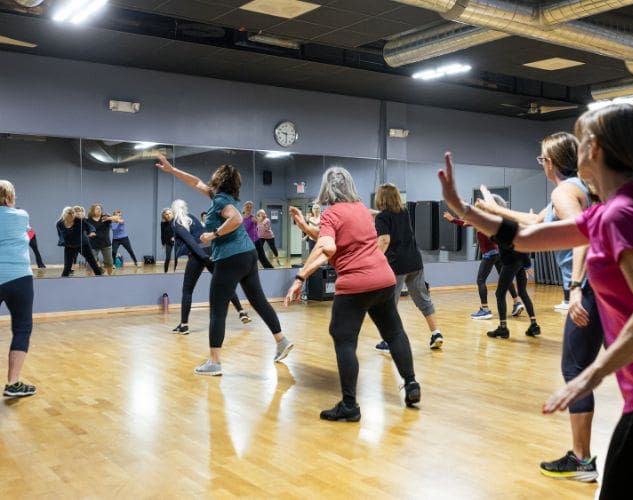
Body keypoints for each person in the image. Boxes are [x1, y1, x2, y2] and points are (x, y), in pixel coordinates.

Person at [439, 103, 633, 499]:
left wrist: (593, 372)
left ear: (595, 149)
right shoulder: (613, 208)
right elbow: (527, 238)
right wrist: (464, 209)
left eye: (580, 139)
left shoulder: (624, 214)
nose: (575, 148)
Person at [480, 132, 603, 481]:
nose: (542, 165)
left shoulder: (564, 191)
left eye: (541, 159)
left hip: (593, 289)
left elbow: (582, 237)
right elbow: (535, 222)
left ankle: (582, 460)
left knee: (576, 369)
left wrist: (576, 289)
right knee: (626, 368)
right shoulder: (581, 187)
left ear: (550, 163)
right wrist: (494, 209)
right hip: (606, 286)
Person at [285, 166, 418, 422]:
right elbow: (332, 241)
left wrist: (301, 277)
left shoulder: (331, 214)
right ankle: (411, 384)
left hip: (355, 285)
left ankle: (349, 405)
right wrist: (303, 224)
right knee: (394, 332)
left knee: (344, 339)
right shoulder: (360, 209)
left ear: (326, 188)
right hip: (383, 280)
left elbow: (327, 247)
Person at [155, 154, 293, 375]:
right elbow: (195, 181)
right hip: (247, 254)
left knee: (218, 310)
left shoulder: (221, 201)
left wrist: (213, 235)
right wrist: (173, 171)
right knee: (258, 301)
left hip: (231, 257)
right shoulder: (224, 197)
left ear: (220, 178)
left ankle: (214, 362)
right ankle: (281, 341)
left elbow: (236, 219)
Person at [374, 183, 444, 350]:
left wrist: (374, 259)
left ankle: (390, 340)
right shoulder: (404, 212)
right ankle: (436, 333)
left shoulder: (382, 218)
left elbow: (384, 240)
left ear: (381, 198)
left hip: (396, 266)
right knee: (423, 299)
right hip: (414, 262)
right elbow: (391, 217)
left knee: (389, 304)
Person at [168, 199, 251, 335]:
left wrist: (204, 257)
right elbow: (204, 234)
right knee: (224, 284)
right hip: (209, 250)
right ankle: (241, 312)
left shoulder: (176, 222)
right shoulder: (192, 218)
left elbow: (190, 241)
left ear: (173, 209)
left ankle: (184, 325)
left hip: (198, 254)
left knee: (187, 290)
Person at [474, 193, 539, 339]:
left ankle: (503, 328)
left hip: (512, 262)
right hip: (519, 261)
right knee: (522, 291)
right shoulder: (505, 221)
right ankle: (534, 325)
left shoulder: (503, 224)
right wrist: (526, 263)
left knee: (499, 293)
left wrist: (527, 264)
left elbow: (518, 243)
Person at [442, 211, 524, 319]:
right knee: (505, 279)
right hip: (497, 253)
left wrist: (452, 219)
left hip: (489, 255)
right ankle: (517, 302)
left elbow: (465, 223)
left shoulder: (480, 221)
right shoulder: (490, 221)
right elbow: (467, 222)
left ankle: (485, 309)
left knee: (480, 280)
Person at [0, 180, 37, 397]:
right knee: (22, 328)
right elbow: (29, 234)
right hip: (19, 278)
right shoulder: (22, 216)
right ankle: (13, 384)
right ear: (10, 197)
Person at [56, 206, 102, 277]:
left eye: (73, 214)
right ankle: (63, 279)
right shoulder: (59, 224)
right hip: (69, 245)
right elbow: (61, 235)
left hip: (83, 244)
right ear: (64, 215)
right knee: (67, 266)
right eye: (69, 215)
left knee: (92, 262)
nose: (72, 216)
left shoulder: (79, 221)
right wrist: (63, 241)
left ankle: (100, 276)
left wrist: (91, 232)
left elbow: (89, 226)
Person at [88, 204, 119, 275]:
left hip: (106, 244)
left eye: (100, 209)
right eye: (97, 209)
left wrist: (108, 218)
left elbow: (117, 219)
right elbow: (85, 230)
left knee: (109, 263)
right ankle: (89, 280)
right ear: (93, 210)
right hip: (93, 245)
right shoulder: (88, 220)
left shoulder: (105, 217)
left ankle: (109, 277)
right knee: (90, 264)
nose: (99, 210)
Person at [160, 208, 175, 273]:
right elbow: (162, 234)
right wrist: (163, 243)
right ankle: (165, 271)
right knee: (168, 257)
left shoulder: (175, 222)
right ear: (164, 216)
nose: (168, 215)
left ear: (172, 214)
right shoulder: (163, 224)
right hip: (169, 242)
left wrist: (175, 237)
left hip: (178, 241)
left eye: (169, 213)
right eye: (166, 214)